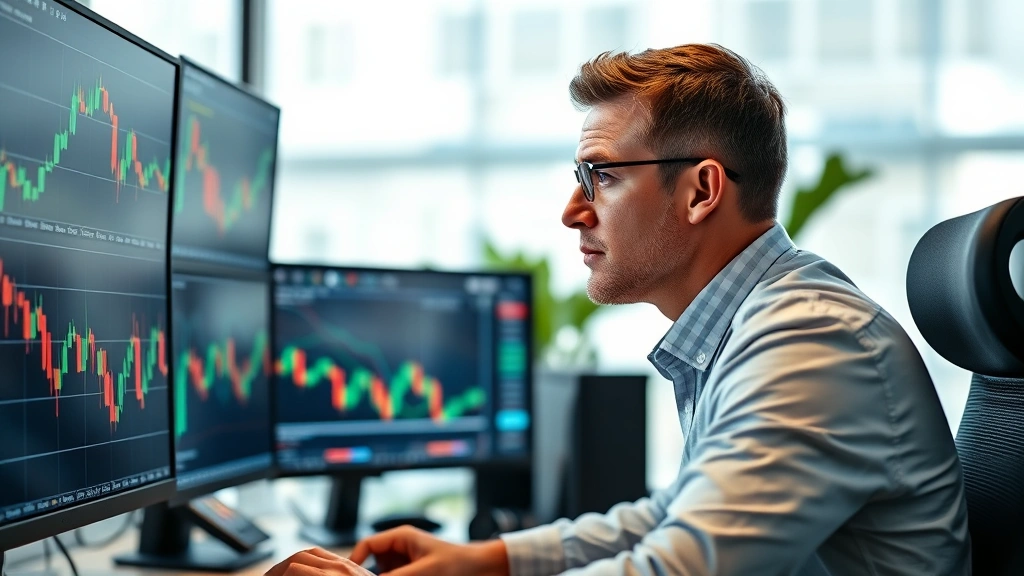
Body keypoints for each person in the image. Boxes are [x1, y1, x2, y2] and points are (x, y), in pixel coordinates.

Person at [265, 43, 970, 576]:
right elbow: (672, 515)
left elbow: (676, 567)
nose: (574, 211)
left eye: (600, 175)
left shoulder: (812, 342)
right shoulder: (753, 325)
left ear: (700, 191)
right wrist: (486, 560)